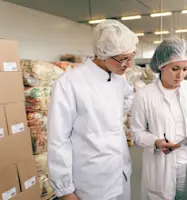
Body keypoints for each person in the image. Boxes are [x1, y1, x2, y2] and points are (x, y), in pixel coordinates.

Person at [47, 20, 138, 200]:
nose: (129, 65)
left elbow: (128, 98)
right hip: (91, 182)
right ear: (104, 54)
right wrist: (65, 190)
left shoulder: (119, 79)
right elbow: (58, 139)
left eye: (131, 56)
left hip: (120, 172)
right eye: (123, 59)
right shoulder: (70, 83)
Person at [131, 37, 187, 200]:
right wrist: (155, 142)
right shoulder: (144, 95)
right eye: (175, 69)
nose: (181, 75)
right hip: (161, 167)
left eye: (185, 69)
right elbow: (137, 132)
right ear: (161, 66)